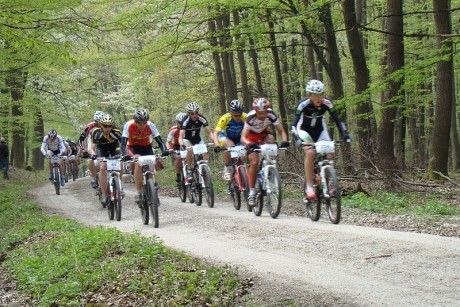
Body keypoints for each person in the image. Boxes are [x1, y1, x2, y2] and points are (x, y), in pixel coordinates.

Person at [291, 79, 351, 201]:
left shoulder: (327, 103)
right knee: (310, 152)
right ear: (309, 95)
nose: (319, 98)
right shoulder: (303, 104)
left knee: (330, 153)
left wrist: (344, 134)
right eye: (315, 95)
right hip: (304, 130)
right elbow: (293, 124)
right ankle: (309, 186)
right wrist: (296, 138)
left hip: (320, 131)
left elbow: (337, 120)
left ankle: (325, 183)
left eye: (321, 94)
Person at [241, 98, 289, 206]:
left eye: (264, 112)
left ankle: (268, 166)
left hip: (264, 133)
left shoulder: (271, 114)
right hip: (251, 137)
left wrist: (285, 141)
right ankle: (252, 192)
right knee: (254, 162)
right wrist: (248, 144)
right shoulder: (250, 117)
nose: (262, 115)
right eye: (260, 113)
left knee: (271, 140)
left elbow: (281, 131)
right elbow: (243, 137)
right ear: (256, 111)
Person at [121, 108, 168, 205]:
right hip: (133, 147)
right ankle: (138, 192)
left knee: (151, 166)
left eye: (144, 123)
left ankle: (152, 190)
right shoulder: (128, 125)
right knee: (138, 163)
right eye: (140, 123)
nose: (142, 126)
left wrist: (165, 150)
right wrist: (124, 154)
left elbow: (160, 141)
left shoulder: (151, 125)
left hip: (147, 147)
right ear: (135, 121)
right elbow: (123, 143)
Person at [90, 114, 123, 207]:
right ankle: (104, 194)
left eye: (110, 126)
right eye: (105, 126)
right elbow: (92, 148)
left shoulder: (117, 132)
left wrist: (124, 154)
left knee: (120, 163)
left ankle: (120, 185)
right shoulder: (96, 133)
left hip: (115, 149)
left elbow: (122, 146)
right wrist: (93, 155)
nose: (107, 128)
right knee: (102, 167)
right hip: (101, 150)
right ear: (101, 125)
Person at [178, 102, 214, 181]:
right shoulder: (185, 120)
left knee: (204, 152)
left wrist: (215, 141)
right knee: (189, 149)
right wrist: (182, 145)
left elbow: (210, 132)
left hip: (197, 138)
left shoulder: (201, 118)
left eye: (196, 113)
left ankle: (204, 170)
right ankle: (190, 169)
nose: (194, 115)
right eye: (192, 113)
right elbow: (180, 137)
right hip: (187, 139)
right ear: (188, 113)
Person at [213, 99, 247, 181]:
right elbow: (216, 133)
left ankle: (241, 172)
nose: (238, 117)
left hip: (239, 138)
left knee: (243, 156)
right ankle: (227, 167)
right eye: (235, 115)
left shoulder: (246, 117)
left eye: (239, 115)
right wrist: (216, 145)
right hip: (225, 137)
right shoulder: (225, 118)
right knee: (230, 145)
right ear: (231, 113)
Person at [78, 110, 105, 189]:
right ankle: (93, 177)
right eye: (97, 122)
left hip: (102, 142)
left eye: (101, 122)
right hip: (91, 141)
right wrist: (84, 150)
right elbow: (81, 139)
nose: (99, 124)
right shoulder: (90, 126)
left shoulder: (107, 125)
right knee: (91, 159)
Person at [166, 112, 187, 185]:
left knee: (192, 157)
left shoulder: (188, 128)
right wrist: (169, 149)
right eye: (179, 123)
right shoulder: (173, 130)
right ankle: (178, 175)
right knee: (178, 158)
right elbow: (168, 142)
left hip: (186, 145)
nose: (181, 125)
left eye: (183, 123)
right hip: (176, 146)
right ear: (176, 122)